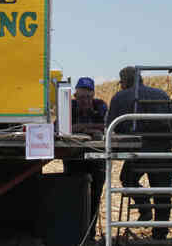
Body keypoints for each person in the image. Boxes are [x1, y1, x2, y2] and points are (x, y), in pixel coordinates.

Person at [106, 66, 172, 241]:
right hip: (164, 152)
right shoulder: (162, 94)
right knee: (163, 194)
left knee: (128, 179)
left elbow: (111, 128)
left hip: (139, 153)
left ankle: (144, 207)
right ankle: (160, 235)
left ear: (124, 82)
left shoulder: (120, 97)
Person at [62, 77, 108, 240]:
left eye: (88, 97)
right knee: (73, 195)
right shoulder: (69, 106)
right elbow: (58, 127)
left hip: (96, 158)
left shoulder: (100, 105)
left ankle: (90, 235)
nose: (85, 101)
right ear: (75, 96)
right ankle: (75, 235)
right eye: (81, 97)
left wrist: (82, 127)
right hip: (74, 157)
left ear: (93, 95)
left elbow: (108, 125)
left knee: (95, 197)